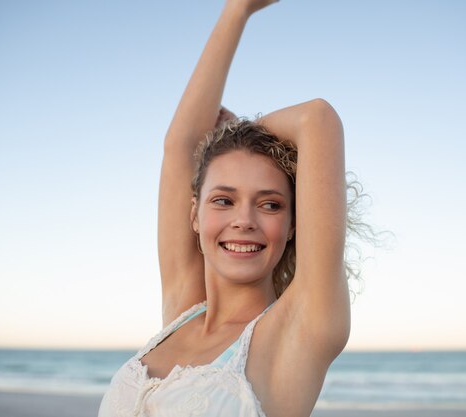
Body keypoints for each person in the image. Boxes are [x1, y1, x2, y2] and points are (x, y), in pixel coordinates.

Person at [99, 1, 372, 416]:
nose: (244, 220)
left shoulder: (299, 331)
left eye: (270, 204)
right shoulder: (182, 309)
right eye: (223, 200)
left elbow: (317, 119)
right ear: (195, 214)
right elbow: (179, 146)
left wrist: (234, 136)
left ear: (295, 223)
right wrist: (237, 10)